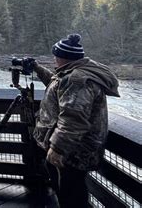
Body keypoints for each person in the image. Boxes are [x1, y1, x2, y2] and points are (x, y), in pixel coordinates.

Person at [32, 34, 119, 208]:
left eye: (56, 55)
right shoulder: (73, 73)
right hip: (74, 149)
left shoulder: (77, 80)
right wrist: (37, 67)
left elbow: (73, 119)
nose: (54, 58)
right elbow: (56, 84)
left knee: (71, 194)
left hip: (73, 152)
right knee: (68, 190)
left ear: (63, 57)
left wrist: (57, 149)